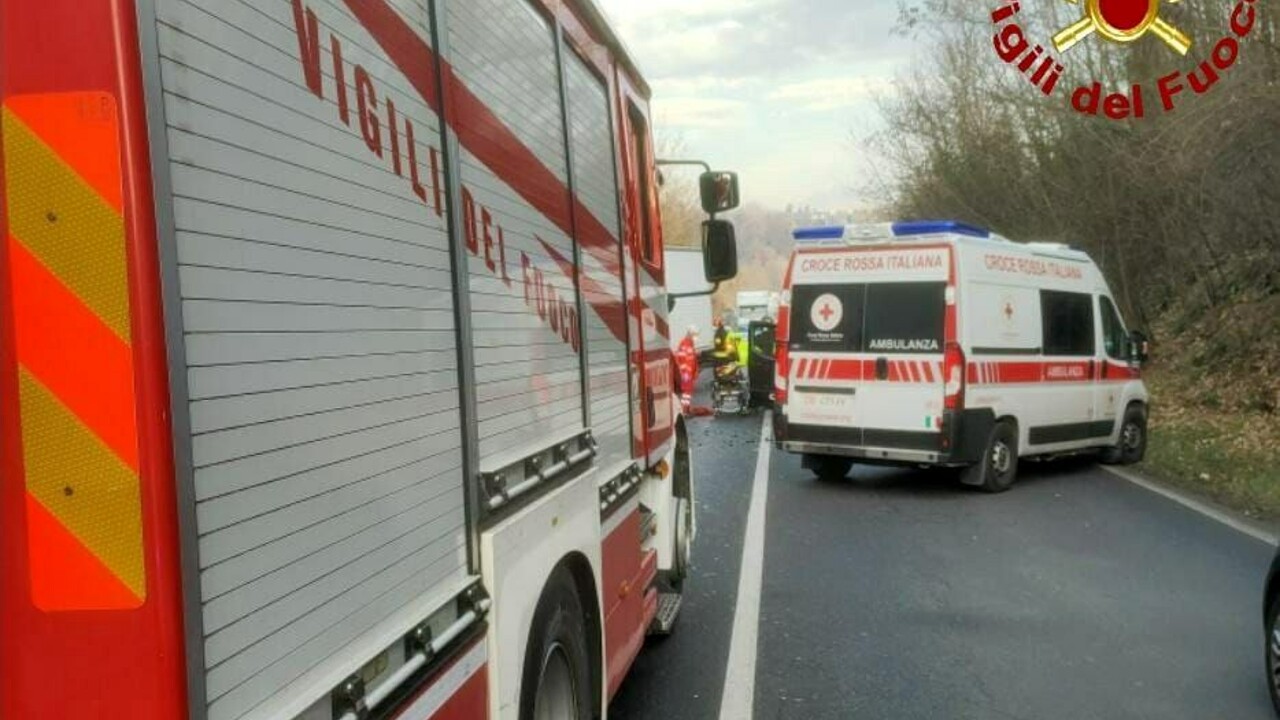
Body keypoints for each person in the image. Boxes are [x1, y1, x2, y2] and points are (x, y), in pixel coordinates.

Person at [676, 326, 700, 414]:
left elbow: (692, 359)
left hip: (688, 373)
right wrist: (685, 373)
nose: (696, 337)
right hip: (686, 373)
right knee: (686, 393)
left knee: (688, 392)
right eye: (694, 335)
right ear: (690, 334)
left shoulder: (690, 343)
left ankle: (686, 409)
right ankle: (684, 410)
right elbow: (681, 358)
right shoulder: (685, 343)